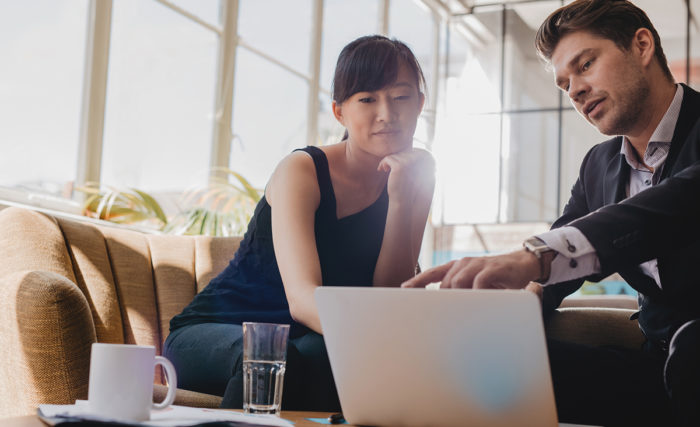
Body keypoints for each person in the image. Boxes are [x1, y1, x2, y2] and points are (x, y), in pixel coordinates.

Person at [403, 1, 700, 425]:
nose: (575, 89)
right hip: (656, 366)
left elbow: (668, 209)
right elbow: (560, 261)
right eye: (565, 84)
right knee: (487, 363)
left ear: (642, 45)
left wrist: (532, 256)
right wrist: (503, 310)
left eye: (586, 64)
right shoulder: (598, 166)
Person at [164, 35, 435, 411]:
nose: (386, 114)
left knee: (324, 360)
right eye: (367, 99)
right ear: (340, 112)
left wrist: (402, 199)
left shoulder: (418, 174)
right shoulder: (302, 169)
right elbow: (303, 299)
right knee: (271, 359)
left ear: (420, 104)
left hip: (308, 340)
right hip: (215, 333)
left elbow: (386, 294)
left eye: (401, 97)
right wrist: (378, 343)